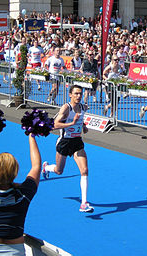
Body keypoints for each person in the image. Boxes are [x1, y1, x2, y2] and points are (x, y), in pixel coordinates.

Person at [42, 85, 94, 213]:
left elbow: (80, 120)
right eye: (76, 94)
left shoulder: (83, 107)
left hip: (77, 142)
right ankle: (46, 167)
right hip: (64, 142)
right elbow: (54, 125)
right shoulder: (66, 108)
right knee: (59, 171)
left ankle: (84, 203)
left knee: (85, 170)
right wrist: (72, 123)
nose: (78, 96)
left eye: (80, 94)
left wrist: (83, 126)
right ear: (70, 94)